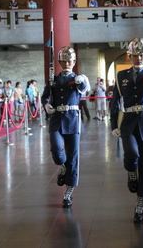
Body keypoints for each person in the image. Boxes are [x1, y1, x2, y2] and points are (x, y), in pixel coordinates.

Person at [110, 38, 143, 224]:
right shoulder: (121, 76)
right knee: (132, 154)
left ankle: (140, 204)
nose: (138, 58)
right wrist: (113, 125)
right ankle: (130, 170)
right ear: (129, 56)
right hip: (128, 122)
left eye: (142, 55)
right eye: (135, 55)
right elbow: (115, 101)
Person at [41, 46, 90, 208]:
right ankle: (62, 166)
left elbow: (84, 90)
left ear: (74, 62)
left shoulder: (78, 78)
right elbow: (45, 97)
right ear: (61, 62)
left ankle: (68, 193)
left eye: (71, 60)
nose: (68, 62)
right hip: (57, 119)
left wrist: (81, 82)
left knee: (73, 157)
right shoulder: (53, 79)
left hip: (73, 120)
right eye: (65, 60)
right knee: (57, 152)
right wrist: (46, 105)